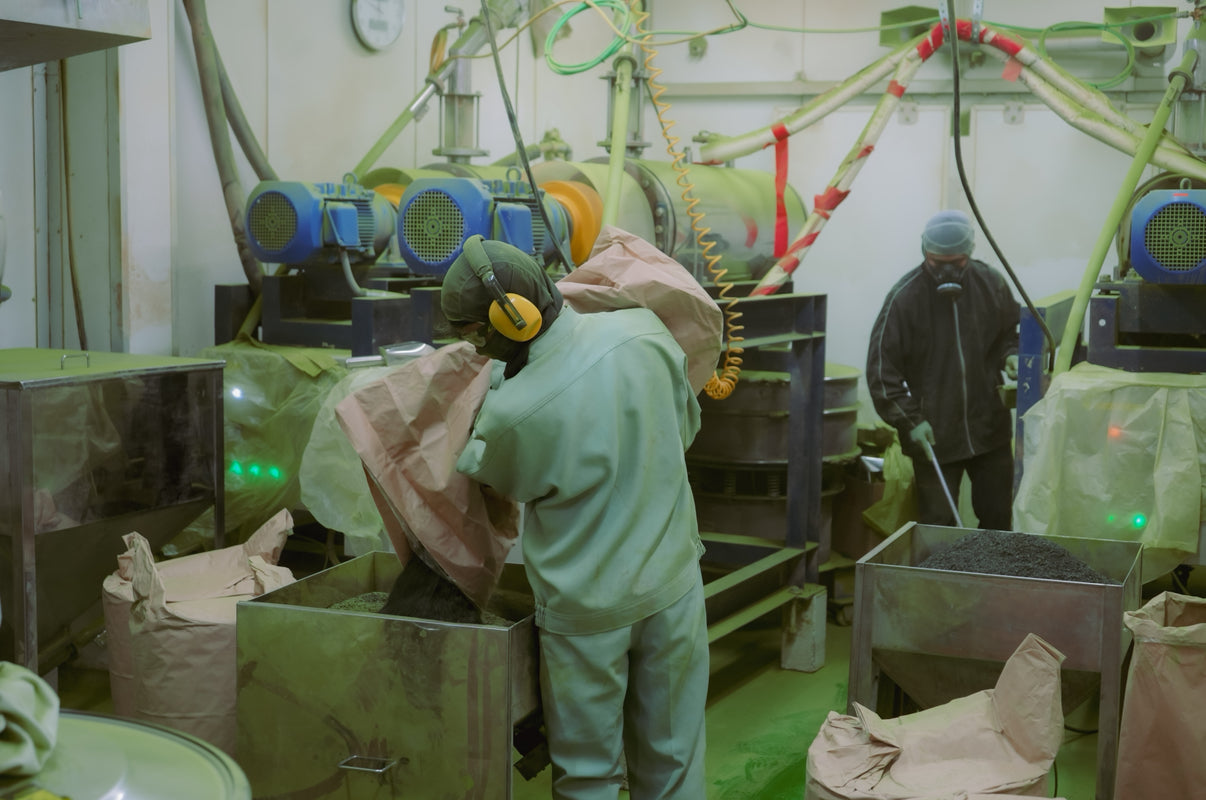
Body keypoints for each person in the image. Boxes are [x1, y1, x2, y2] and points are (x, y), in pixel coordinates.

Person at [440, 235, 708, 800]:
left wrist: (498, 387)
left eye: (473, 336)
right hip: (674, 584)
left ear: (509, 322)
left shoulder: (512, 414)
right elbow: (685, 430)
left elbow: (493, 483)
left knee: (589, 776)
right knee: (675, 761)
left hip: (589, 613)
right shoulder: (645, 332)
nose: (475, 350)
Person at [865, 210, 1020, 531]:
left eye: (957, 262)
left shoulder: (991, 284)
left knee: (998, 520)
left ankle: (991, 580)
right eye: (937, 262)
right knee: (938, 529)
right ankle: (946, 583)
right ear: (924, 252)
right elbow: (882, 374)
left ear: (971, 252)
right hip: (933, 436)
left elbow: (1011, 333)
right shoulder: (904, 299)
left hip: (989, 429)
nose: (947, 269)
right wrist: (911, 421)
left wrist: (1012, 355)